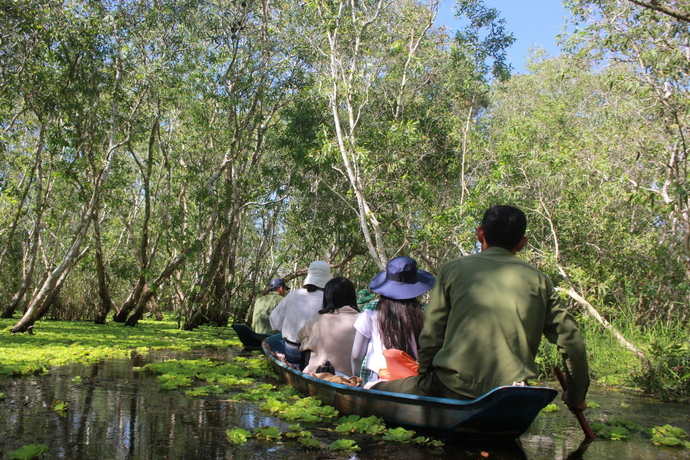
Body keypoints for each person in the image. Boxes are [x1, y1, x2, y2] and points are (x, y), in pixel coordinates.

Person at [373, 205, 590, 412]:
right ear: (522, 243)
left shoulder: (453, 270)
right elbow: (573, 344)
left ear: (480, 233)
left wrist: (424, 374)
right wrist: (576, 396)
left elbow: (432, 334)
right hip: (512, 393)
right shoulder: (540, 281)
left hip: (452, 387)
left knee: (376, 389)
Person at [351, 256, 435, 384]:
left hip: (377, 381)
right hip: (413, 380)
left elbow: (356, 355)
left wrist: (356, 377)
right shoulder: (424, 311)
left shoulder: (371, 309)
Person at [270, 260, 332, 364]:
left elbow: (274, 318)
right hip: (313, 352)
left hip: (290, 349)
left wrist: (287, 330)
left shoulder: (292, 295)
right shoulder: (327, 298)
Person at [297, 277, 360, 375]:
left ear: (327, 297)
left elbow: (302, 345)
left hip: (322, 376)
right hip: (355, 379)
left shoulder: (315, 321)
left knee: (305, 345)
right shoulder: (364, 320)